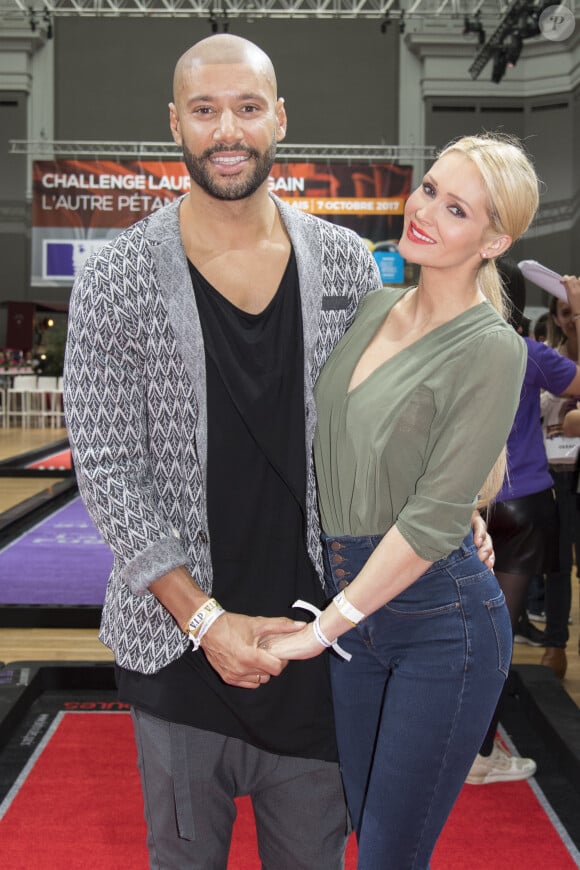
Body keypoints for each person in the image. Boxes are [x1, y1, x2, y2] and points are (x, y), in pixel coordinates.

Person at [63, 34, 493, 869]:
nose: (228, 129)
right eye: (205, 109)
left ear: (280, 119)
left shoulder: (341, 261)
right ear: (175, 125)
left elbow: (389, 415)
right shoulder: (116, 276)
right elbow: (110, 468)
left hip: (322, 644)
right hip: (180, 652)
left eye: (248, 107)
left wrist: (450, 512)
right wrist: (205, 619)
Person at [263, 133, 538, 869]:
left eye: (456, 209)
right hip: (359, 607)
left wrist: (321, 631)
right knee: (363, 823)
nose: (425, 212)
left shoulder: (492, 346)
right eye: (429, 189)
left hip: (440, 623)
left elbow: (429, 518)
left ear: (494, 239)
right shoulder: (373, 306)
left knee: (389, 853)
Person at [466, 260, 580, 785]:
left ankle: (452, 743)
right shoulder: (526, 351)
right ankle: (479, 754)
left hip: (461, 507)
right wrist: (577, 315)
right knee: (495, 636)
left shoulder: (451, 345)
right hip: (524, 507)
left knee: (458, 631)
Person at [537, 290, 580, 676]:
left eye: (576, 313)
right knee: (555, 567)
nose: (571, 320)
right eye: (565, 313)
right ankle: (554, 647)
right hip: (553, 475)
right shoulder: (548, 358)